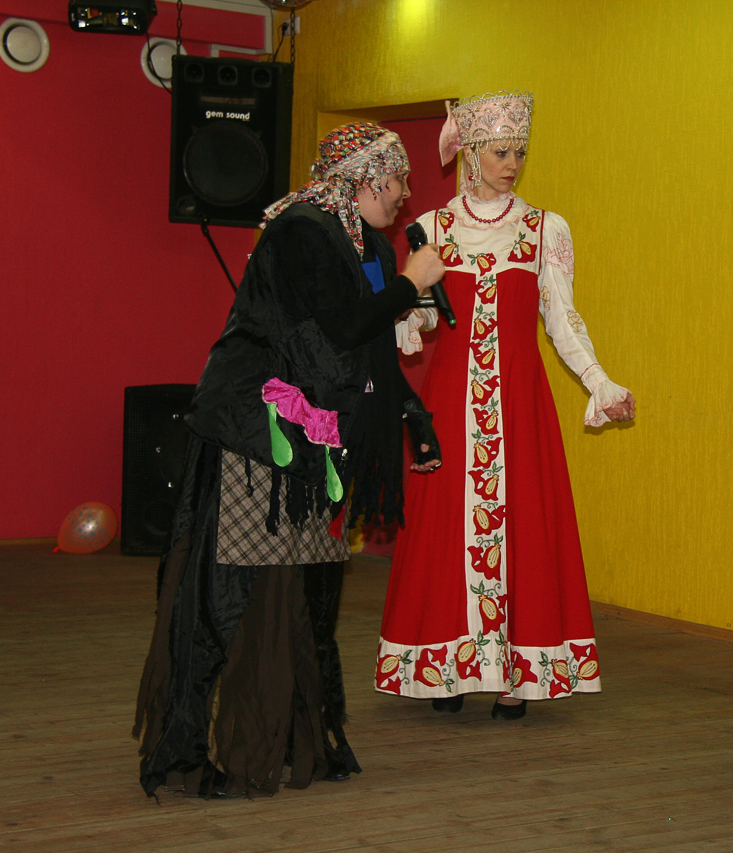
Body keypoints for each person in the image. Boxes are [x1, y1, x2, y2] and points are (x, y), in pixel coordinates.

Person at [132, 122, 445, 798]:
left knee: (305, 601)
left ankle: (300, 739)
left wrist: (413, 417)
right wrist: (409, 285)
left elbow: (369, 352)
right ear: (365, 178)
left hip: (314, 445)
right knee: (226, 596)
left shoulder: (368, 244)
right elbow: (343, 324)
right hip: (255, 433)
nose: (405, 193)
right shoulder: (303, 229)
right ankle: (183, 754)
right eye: (398, 179)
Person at [375, 91, 634, 719]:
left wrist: (599, 382)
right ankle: (449, 669)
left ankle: (519, 673)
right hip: (451, 397)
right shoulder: (432, 229)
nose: (511, 164)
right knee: (444, 526)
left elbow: (562, 319)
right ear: (471, 153)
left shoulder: (544, 229)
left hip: (518, 398)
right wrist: (405, 316)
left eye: (518, 152)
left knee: (524, 525)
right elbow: (424, 319)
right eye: (499, 152)